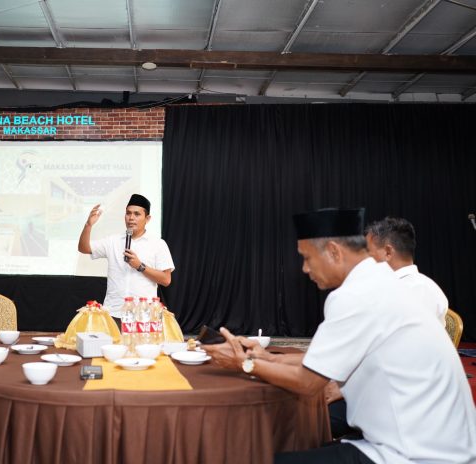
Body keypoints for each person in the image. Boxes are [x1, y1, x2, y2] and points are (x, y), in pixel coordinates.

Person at [203, 207, 476, 463]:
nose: (305, 269)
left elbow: (308, 383)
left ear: (334, 251)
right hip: (432, 444)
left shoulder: (356, 295)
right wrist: (259, 356)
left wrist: (244, 363)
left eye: (307, 258)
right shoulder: (379, 283)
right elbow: (317, 363)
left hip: (416, 455)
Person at [326, 215, 451, 439]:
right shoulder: (403, 288)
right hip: (383, 395)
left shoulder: (414, 292)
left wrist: (345, 389)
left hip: (398, 409)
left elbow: (402, 363)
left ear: (388, 252)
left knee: (306, 416)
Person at [78, 194, 174, 317]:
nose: (131, 218)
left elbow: (166, 280)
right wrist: (88, 225)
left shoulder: (158, 244)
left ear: (147, 218)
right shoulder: (113, 241)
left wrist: (140, 266)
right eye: (128, 213)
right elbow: (84, 248)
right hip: (113, 312)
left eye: (137, 214)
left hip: (144, 315)